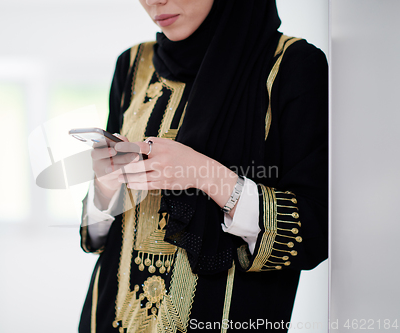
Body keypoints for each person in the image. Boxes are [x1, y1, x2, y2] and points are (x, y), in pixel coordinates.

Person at [78, 0, 328, 332]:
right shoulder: (133, 65)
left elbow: (312, 230)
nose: (154, 1)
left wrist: (203, 173)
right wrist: (106, 186)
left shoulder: (291, 66)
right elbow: (95, 237)